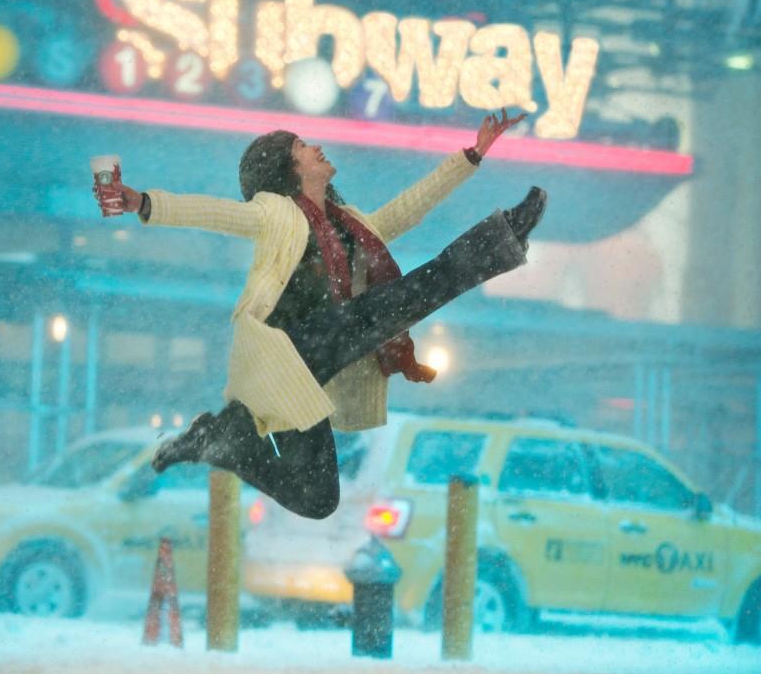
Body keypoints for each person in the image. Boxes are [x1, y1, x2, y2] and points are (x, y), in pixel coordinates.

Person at [103, 109, 546, 520]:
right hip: (286, 350)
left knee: (318, 500)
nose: (314, 147)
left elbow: (410, 208)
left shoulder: (346, 221)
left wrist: (472, 155)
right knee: (402, 299)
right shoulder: (275, 212)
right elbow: (216, 213)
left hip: (308, 373)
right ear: (287, 168)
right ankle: (504, 236)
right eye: (300, 146)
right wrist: (143, 201)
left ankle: (221, 443)